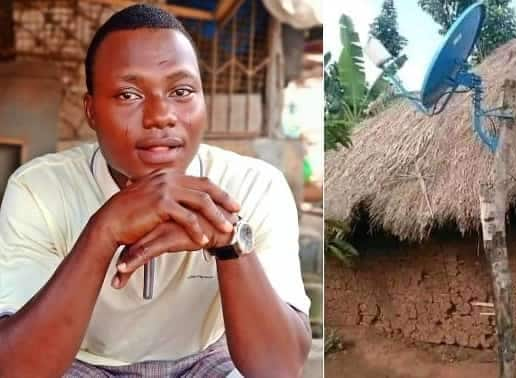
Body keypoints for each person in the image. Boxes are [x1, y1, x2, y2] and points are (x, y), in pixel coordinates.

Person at [0, 4, 311, 377]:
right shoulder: (39, 189)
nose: (160, 115)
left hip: (206, 360)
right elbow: (17, 368)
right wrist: (104, 230)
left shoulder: (255, 186)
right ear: (91, 110)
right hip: (81, 364)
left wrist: (230, 244)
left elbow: (279, 368)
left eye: (181, 91)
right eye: (129, 95)